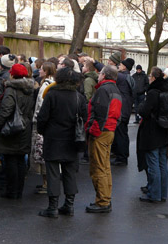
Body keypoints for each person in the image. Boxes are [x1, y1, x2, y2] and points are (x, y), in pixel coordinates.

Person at [34, 68, 87, 217]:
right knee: (70, 172)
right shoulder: (79, 97)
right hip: (73, 139)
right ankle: (69, 205)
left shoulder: (52, 95)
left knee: (53, 173)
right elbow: (84, 118)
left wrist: (43, 131)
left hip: (53, 137)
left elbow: (42, 117)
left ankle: (53, 207)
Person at [0, 63, 35, 200]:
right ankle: (19, 191)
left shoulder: (11, 90)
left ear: (12, 74)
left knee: (11, 159)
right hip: (25, 127)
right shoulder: (30, 89)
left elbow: (6, 110)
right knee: (20, 160)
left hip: (11, 128)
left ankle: (11, 191)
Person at [87, 65, 123, 213]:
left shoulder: (103, 90)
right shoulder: (115, 89)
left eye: (100, 73)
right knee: (105, 166)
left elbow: (100, 113)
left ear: (104, 75)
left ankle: (102, 201)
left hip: (101, 131)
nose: (98, 75)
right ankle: (105, 198)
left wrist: (93, 131)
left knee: (99, 167)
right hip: (109, 130)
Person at [137, 67, 168, 203]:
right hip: (164, 130)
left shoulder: (153, 92)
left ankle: (154, 194)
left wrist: (141, 106)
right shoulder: (167, 90)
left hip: (152, 131)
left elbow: (145, 111)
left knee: (153, 164)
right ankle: (163, 193)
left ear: (153, 77)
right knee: (162, 163)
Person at [32, 62, 57, 193]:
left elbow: (41, 106)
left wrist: (38, 120)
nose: (39, 71)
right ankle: (46, 183)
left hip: (42, 124)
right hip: (49, 124)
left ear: (46, 71)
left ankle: (47, 184)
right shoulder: (52, 84)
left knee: (42, 153)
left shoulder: (45, 86)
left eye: (41, 69)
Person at [109, 54, 134, 166]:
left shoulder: (121, 77)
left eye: (121, 65)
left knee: (120, 134)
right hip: (126, 108)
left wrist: (95, 63)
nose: (119, 66)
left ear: (124, 67)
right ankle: (121, 155)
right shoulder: (128, 77)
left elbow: (108, 73)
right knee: (122, 133)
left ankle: (122, 158)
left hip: (121, 109)